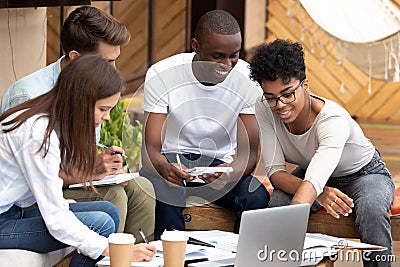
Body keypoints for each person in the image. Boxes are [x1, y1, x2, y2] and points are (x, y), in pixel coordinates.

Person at [0, 5, 155, 242]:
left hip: (62, 182)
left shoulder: (89, 94)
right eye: (107, 61)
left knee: (141, 189)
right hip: (30, 196)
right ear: (76, 58)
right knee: (112, 198)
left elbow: (82, 155)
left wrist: (105, 168)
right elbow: (40, 180)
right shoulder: (30, 102)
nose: (113, 70)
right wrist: (88, 172)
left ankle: (137, 256)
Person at [249, 39, 395, 266]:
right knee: (277, 204)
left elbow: (313, 182)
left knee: (372, 209)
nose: (280, 105)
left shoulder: (332, 119)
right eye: (271, 97)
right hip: (311, 175)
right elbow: (276, 174)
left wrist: (313, 192)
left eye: (288, 94)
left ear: (304, 86)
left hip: (365, 174)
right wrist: (319, 192)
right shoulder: (263, 108)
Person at [140, 9, 270, 239]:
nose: (227, 64)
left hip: (218, 165)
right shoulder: (162, 73)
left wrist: (229, 174)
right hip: (172, 161)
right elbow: (150, 150)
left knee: (256, 195)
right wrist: (164, 168)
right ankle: (174, 259)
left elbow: (249, 154)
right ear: (195, 46)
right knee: (167, 192)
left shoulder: (248, 80)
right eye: (218, 55)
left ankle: (242, 259)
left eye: (233, 55)